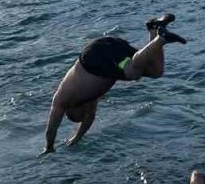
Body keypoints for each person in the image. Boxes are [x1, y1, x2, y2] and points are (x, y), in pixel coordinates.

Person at [44, 14, 186, 153]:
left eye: (80, 115)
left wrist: (49, 147)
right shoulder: (89, 100)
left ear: (70, 111)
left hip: (95, 57)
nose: (86, 113)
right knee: (155, 71)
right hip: (112, 52)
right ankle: (154, 29)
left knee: (133, 73)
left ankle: (161, 39)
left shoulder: (61, 100)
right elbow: (89, 119)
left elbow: (51, 129)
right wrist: (77, 137)